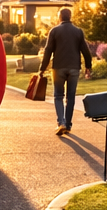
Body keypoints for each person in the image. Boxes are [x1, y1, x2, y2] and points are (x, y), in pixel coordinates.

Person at [39, 7, 95, 136]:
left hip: (58, 67)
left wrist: (42, 69)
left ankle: (61, 123)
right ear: (70, 17)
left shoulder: (54, 31)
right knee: (71, 97)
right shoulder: (78, 32)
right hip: (74, 68)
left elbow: (48, 51)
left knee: (58, 96)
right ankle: (68, 125)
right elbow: (86, 51)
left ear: (60, 17)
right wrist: (88, 67)